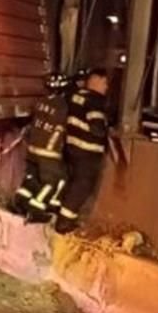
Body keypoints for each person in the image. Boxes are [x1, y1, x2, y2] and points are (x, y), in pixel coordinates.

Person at [10, 73, 71, 223]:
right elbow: (60, 129)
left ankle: (20, 202)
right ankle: (36, 209)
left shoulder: (39, 102)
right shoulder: (63, 106)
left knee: (32, 178)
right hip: (48, 151)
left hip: (33, 148)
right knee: (52, 181)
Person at [56, 67, 110, 234]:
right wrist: (108, 128)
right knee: (82, 186)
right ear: (97, 81)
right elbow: (97, 128)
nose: (107, 87)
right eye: (105, 83)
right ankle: (64, 223)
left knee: (73, 183)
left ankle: (61, 216)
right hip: (88, 150)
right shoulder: (95, 100)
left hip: (72, 147)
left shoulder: (76, 96)